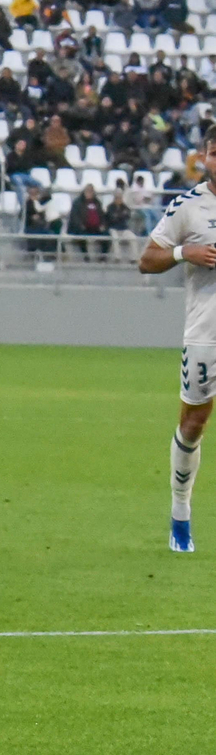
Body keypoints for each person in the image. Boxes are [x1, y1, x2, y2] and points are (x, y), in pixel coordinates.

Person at [136, 135, 216, 552]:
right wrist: (186, 252)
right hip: (207, 335)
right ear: (204, 158)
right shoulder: (187, 206)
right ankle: (180, 515)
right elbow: (147, 260)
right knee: (194, 423)